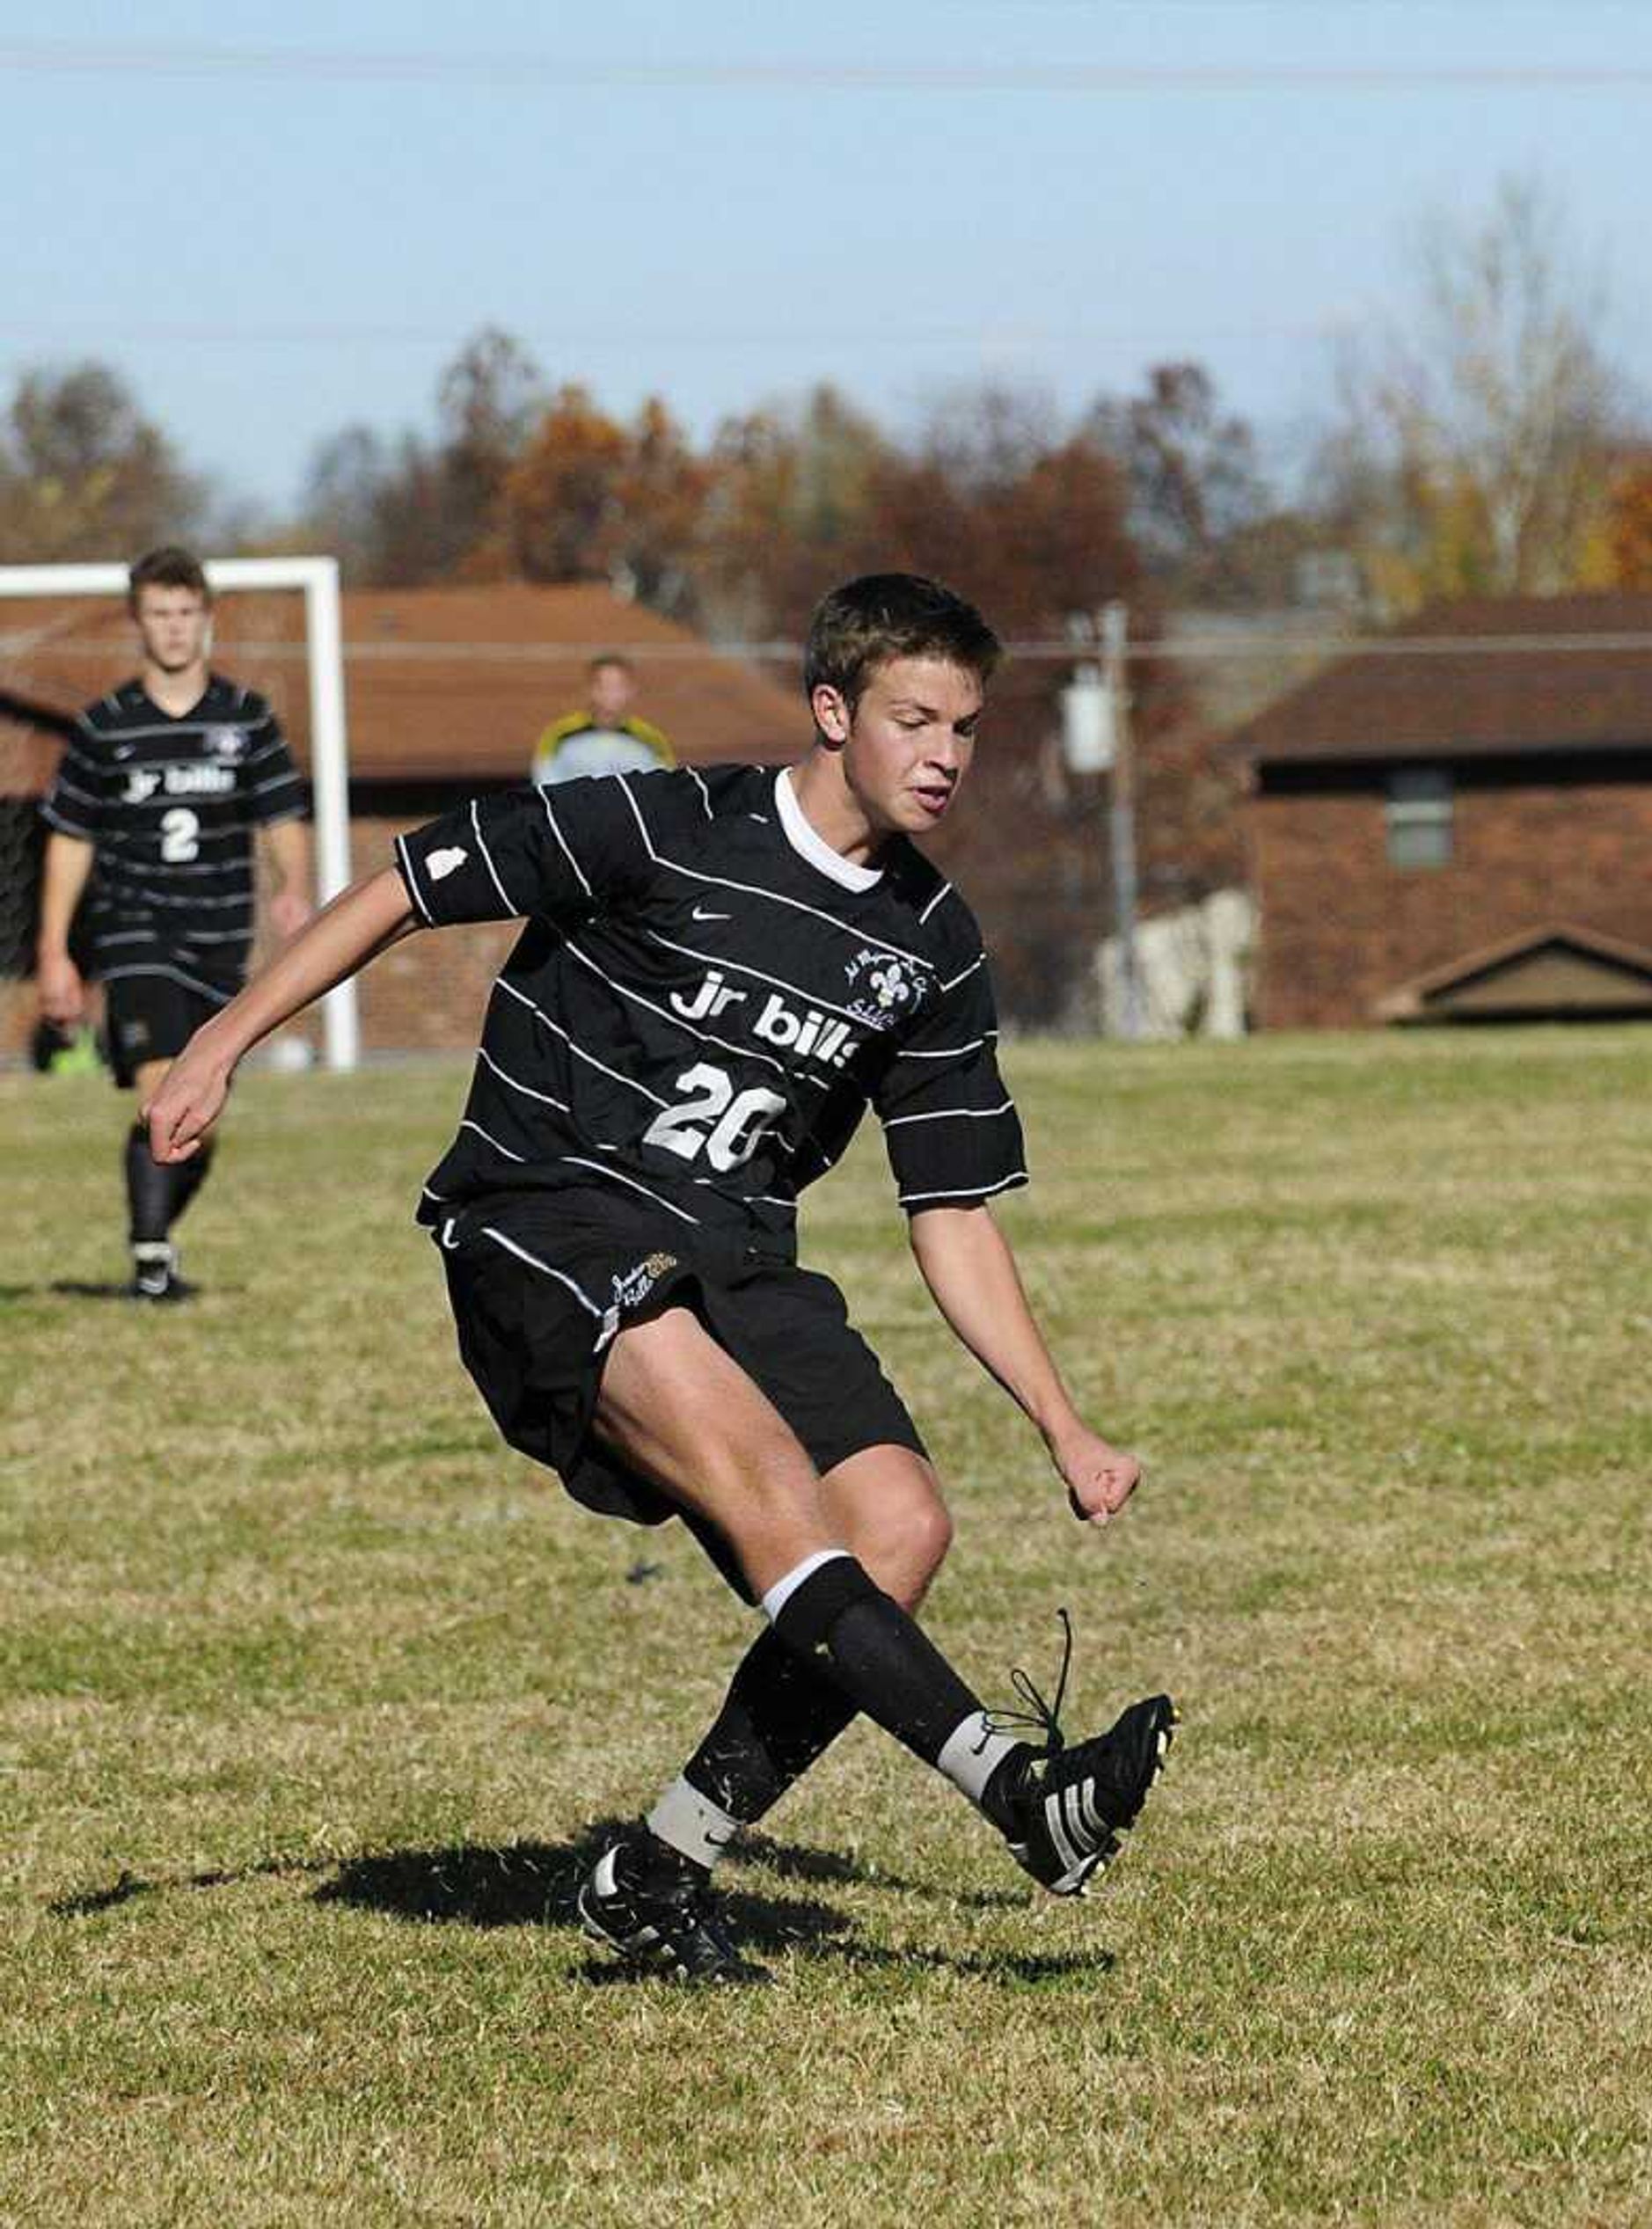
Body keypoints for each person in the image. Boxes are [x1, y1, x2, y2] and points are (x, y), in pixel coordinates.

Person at [148, 574, 1176, 1984]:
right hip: (550, 1213)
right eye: (914, 717)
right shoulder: (662, 820)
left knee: (899, 1527)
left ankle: (660, 1870)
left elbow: (950, 1212)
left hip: (742, 1251)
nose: (946, 751)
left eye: (968, 726)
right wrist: (222, 1039)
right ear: (834, 711)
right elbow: (405, 884)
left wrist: (1062, 1421)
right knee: (764, 1479)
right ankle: (1018, 1794)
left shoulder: (931, 944)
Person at [35, 546, 314, 1300]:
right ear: (138, 623)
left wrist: (295, 885)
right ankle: (152, 1264)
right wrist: (55, 950)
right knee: (163, 1092)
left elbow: (283, 816)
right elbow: (70, 840)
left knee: (202, 1117)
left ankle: (154, 1245)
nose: (174, 628)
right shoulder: (103, 726)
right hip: (135, 932)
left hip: (220, 939)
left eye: (186, 613)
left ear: (207, 619)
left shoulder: (247, 718)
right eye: (159, 614)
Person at [531, 653, 676, 786]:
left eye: (618, 686)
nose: (610, 694)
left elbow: (665, 787)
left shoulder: (651, 739)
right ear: (589, 689)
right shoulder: (558, 736)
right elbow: (544, 784)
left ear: (631, 690)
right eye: (603, 686)